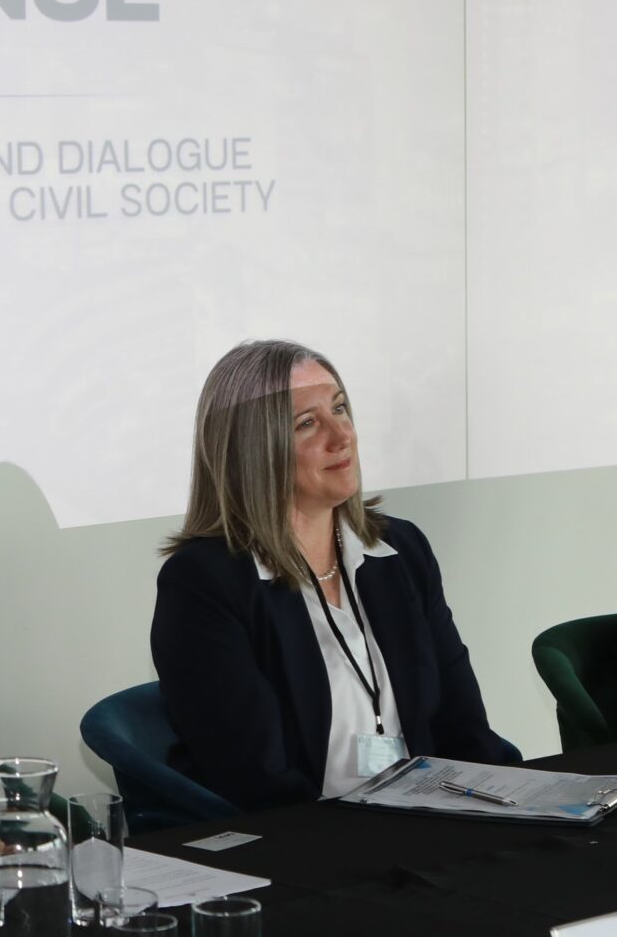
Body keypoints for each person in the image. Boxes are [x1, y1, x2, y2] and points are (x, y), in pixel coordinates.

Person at [151, 340, 517, 810]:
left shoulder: (401, 551)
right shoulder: (204, 582)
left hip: (427, 816)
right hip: (308, 832)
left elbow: (462, 725)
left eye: (340, 408)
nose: (341, 435)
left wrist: (514, 807)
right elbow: (254, 779)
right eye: (307, 423)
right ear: (254, 451)